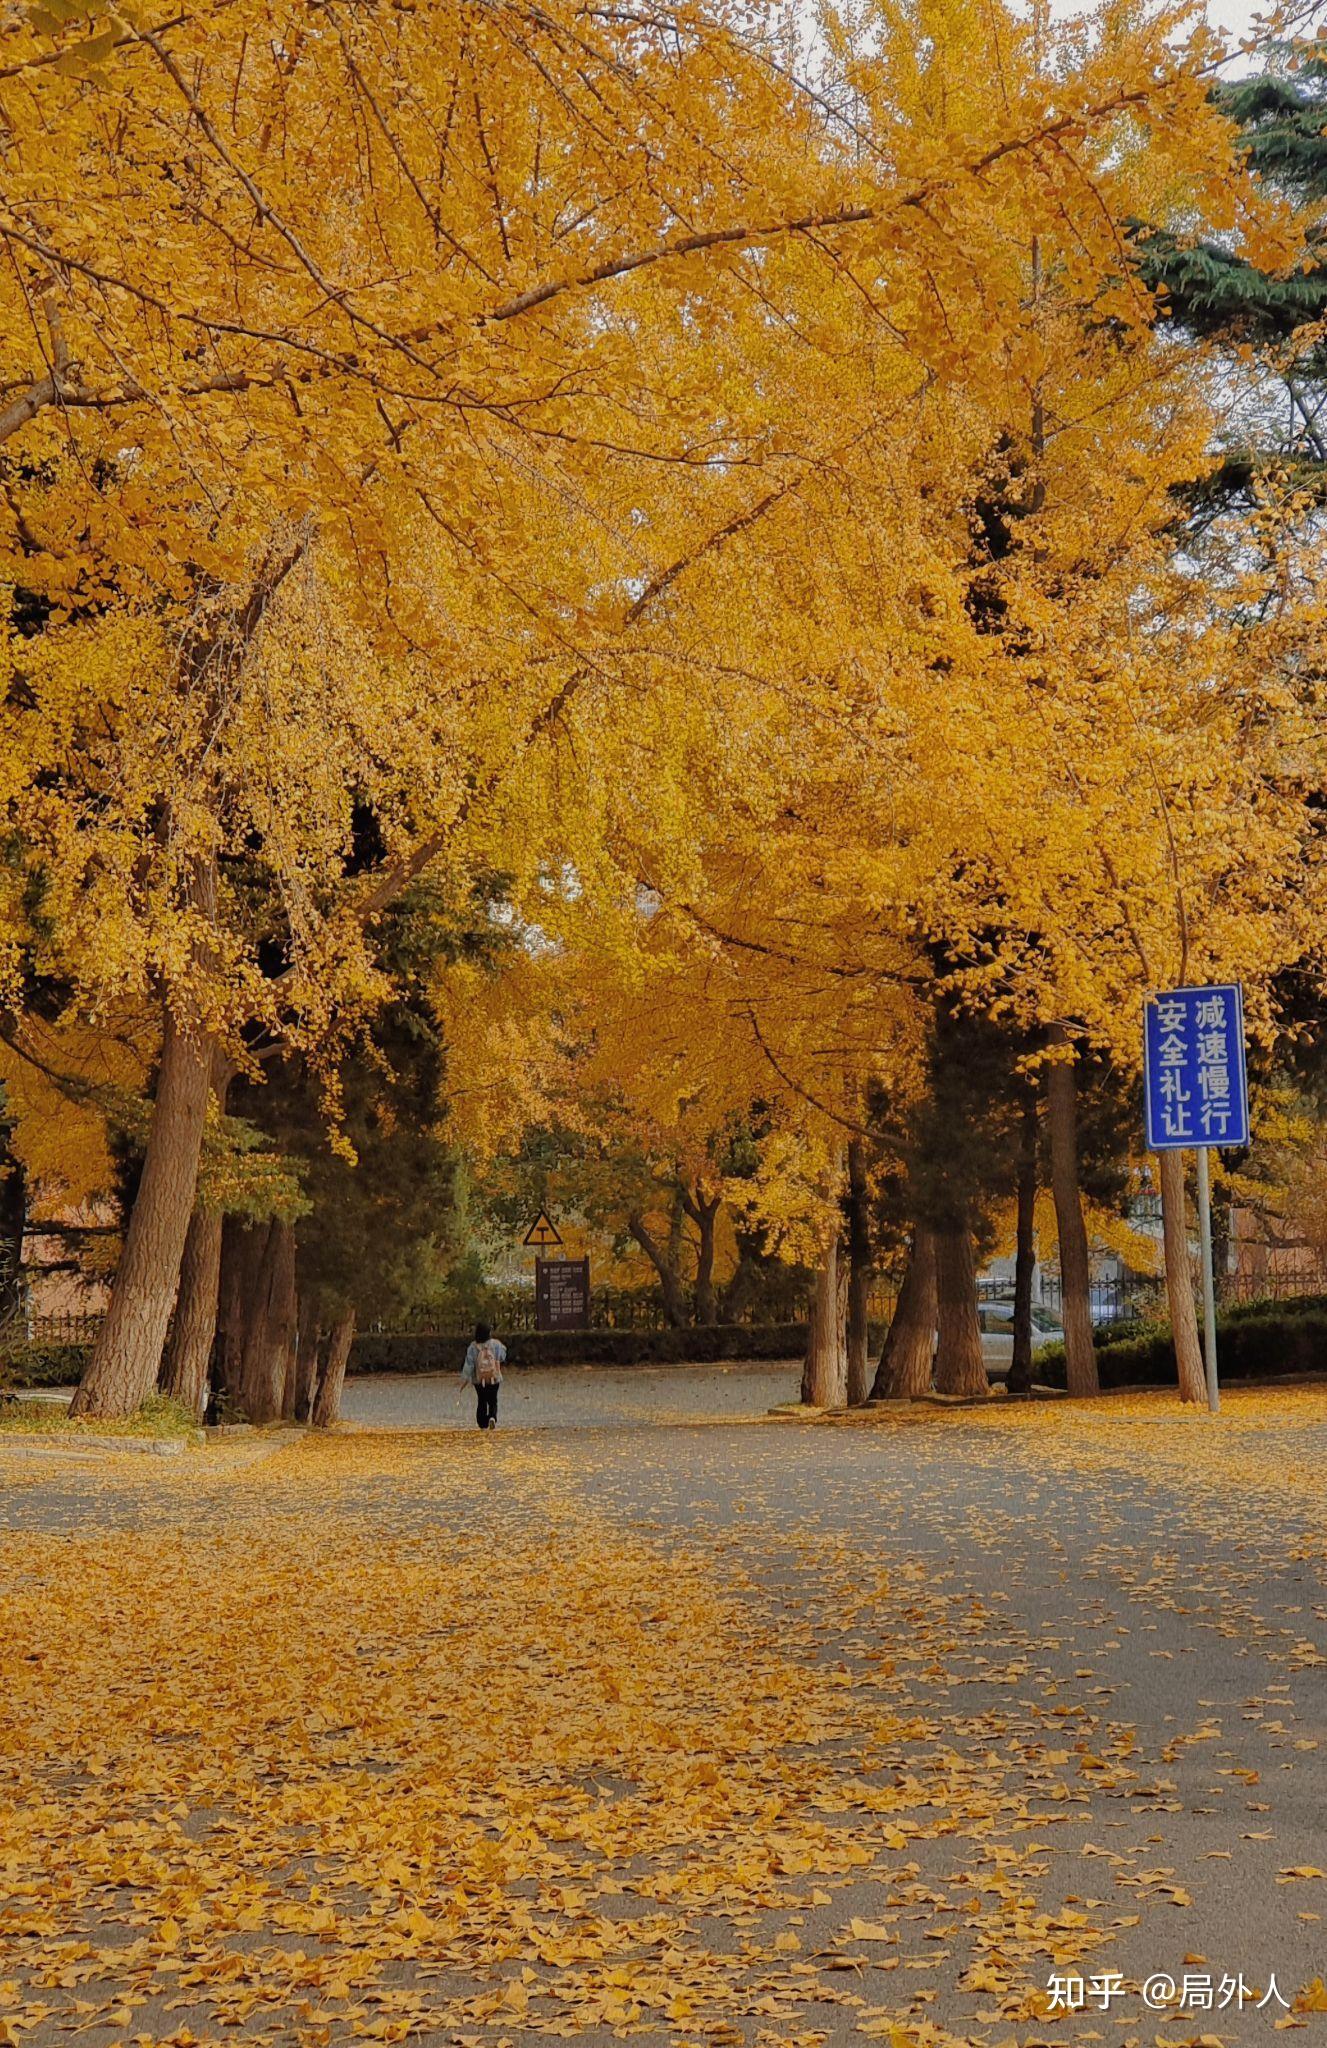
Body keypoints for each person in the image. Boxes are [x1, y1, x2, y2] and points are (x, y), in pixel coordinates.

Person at [460, 1321, 506, 1430]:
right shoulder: (496, 1344)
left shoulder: (473, 1347)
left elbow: (469, 1364)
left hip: (479, 1379)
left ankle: (482, 1424)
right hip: (494, 1377)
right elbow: (502, 1356)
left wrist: (465, 1378)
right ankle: (492, 1417)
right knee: (493, 1400)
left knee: (482, 1400)